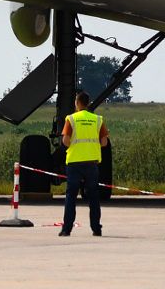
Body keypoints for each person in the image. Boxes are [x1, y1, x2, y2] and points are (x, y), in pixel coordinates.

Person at [59, 90, 109, 237]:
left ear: (77, 103)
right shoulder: (98, 119)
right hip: (91, 163)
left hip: (74, 162)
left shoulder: (71, 119)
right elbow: (104, 142)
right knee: (93, 196)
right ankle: (96, 228)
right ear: (87, 103)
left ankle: (66, 229)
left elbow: (66, 141)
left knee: (71, 196)